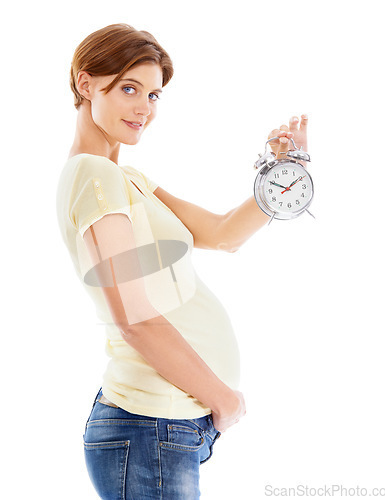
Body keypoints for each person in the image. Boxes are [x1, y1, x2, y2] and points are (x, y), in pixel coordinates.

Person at [56, 23, 308, 500]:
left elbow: (223, 235)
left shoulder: (124, 177)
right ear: (86, 83)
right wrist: (222, 398)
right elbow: (134, 319)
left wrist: (283, 172)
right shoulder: (93, 175)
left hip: (161, 427)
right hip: (150, 424)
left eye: (154, 95)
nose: (144, 108)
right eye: (129, 88)